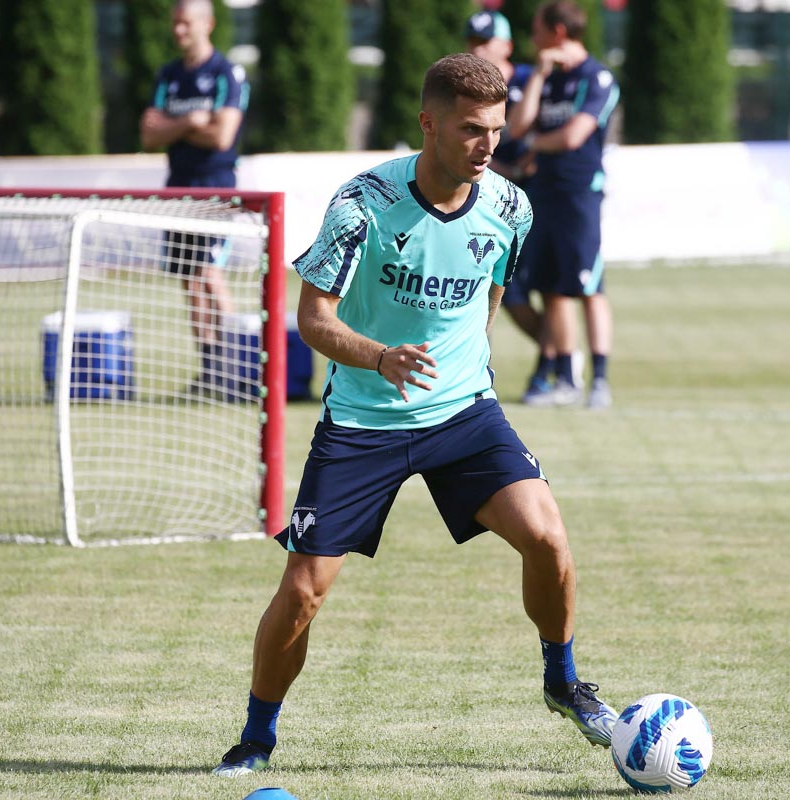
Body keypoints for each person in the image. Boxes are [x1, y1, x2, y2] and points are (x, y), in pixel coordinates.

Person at [212, 53, 617, 777]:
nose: (487, 146)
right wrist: (379, 357)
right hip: (364, 420)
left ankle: (563, 681)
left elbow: (490, 295)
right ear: (427, 124)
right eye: (470, 130)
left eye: (494, 129)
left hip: (463, 413)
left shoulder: (511, 207)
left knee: (549, 538)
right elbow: (312, 318)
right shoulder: (361, 203)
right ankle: (254, 739)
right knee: (304, 588)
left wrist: (465, 372)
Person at [508, 1, 619, 409]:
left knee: (588, 286)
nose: (532, 37)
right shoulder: (547, 77)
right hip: (543, 192)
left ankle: (601, 380)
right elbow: (516, 126)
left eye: (537, 29)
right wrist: (538, 73)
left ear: (557, 31)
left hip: (579, 194)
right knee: (553, 290)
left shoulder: (597, 77)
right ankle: (567, 379)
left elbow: (574, 136)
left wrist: (534, 144)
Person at [140, 0, 249, 396]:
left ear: (208, 24)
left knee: (208, 274)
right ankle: (208, 373)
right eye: (175, 24)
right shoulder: (167, 74)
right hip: (177, 188)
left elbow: (222, 136)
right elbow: (149, 135)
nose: (178, 31)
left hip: (216, 187)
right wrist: (190, 121)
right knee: (188, 278)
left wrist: (173, 127)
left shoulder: (226, 73)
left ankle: (236, 367)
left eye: (185, 23)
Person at [463, 9, 546, 362]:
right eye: (472, 43)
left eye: (485, 42)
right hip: (491, 198)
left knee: (549, 288)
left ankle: (559, 358)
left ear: (507, 45)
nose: (477, 51)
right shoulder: (467, 90)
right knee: (501, 292)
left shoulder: (532, 79)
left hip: (540, 199)